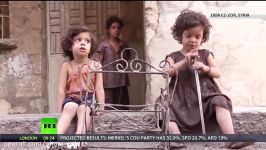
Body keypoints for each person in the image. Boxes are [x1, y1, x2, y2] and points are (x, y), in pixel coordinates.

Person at [163, 9, 253, 149]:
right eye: (188, 36)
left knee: (220, 100)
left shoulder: (205, 54)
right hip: (179, 97)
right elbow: (166, 72)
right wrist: (184, 62)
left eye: (198, 37)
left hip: (205, 96)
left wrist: (206, 68)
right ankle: (175, 138)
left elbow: (218, 73)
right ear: (180, 36)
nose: (193, 40)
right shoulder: (173, 56)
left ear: (203, 38)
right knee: (164, 105)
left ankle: (231, 138)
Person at [56, 25, 105, 135]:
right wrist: (59, 109)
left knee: (83, 109)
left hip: (88, 99)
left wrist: (101, 107)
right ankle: (55, 137)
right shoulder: (66, 66)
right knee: (69, 107)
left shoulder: (96, 65)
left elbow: (99, 88)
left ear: (90, 47)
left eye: (87, 41)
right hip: (71, 98)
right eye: (78, 40)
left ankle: (79, 138)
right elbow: (61, 89)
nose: (83, 43)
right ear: (70, 46)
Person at [94, 16, 130, 110]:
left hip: (122, 81)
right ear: (108, 29)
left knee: (123, 107)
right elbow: (97, 62)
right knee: (109, 108)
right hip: (108, 82)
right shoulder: (103, 45)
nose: (116, 30)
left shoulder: (123, 44)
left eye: (118, 28)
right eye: (113, 27)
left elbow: (128, 56)